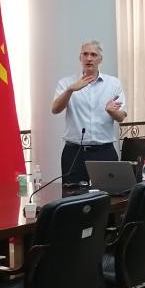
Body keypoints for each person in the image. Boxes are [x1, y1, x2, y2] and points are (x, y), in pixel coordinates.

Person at [50, 40, 127, 186]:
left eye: (93, 55)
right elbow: (55, 109)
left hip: (104, 151)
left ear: (100, 59)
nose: (89, 58)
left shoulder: (113, 83)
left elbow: (121, 116)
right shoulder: (66, 83)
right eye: (85, 54)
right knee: (73, 196)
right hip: (74, 152)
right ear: (80, 58)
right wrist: (70, 90)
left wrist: (111, 111)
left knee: (109, 194)